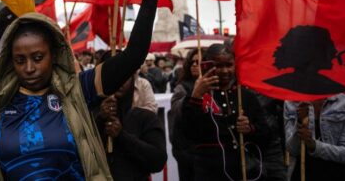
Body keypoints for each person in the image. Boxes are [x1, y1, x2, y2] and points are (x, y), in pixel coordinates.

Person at [0, 0, 165, 180]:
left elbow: (134, 55)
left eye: (38, 57)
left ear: (54, 55)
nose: (29, 68)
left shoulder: (78, 90)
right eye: (20, 60)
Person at [179, 42, 269, 180]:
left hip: (243, 173)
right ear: (208, 65)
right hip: (208, 173)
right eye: (219, 66)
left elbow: (266, 134)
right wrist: (196, 96)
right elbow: (185, 134)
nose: (225, 71)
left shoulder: (246, 95)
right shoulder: (196, 96)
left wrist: (250, 129)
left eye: (229, 65)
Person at [94, 51, 167, 180]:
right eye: (112, 74)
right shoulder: (89, 113)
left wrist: (122, 136)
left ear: (133, 78)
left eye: (124, 74)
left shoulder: (145, 117)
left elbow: (158, 161)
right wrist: (99, 120)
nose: (119, 80)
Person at [285, 94, 345, 180]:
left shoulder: (344, 102)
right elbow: (292, 150)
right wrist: (299, 123)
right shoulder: (292, 102)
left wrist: (315, 146)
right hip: (302, 175)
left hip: (336, 175)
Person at [169, 49, 200, 181]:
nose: (194, 65)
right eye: (192, 62)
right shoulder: (182, 87)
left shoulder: (216, 86)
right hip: (187, 151)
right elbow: (177, 110)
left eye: (198, 62)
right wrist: (195, 94)